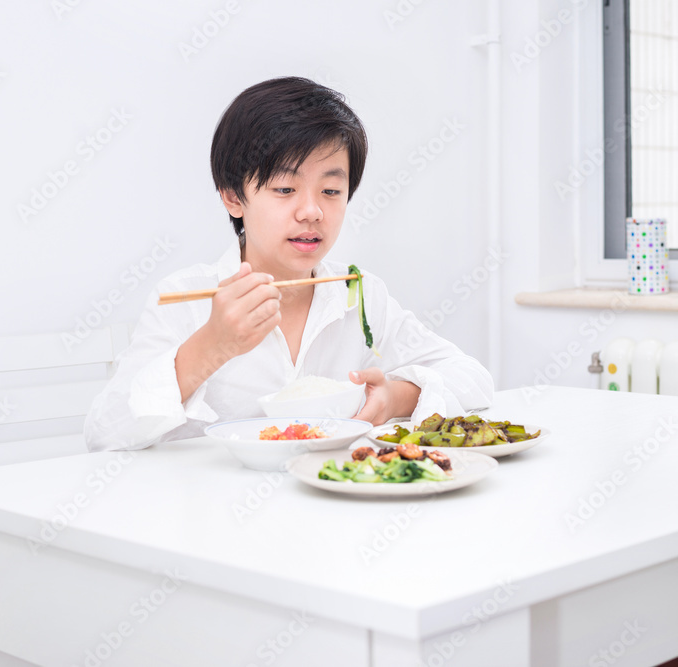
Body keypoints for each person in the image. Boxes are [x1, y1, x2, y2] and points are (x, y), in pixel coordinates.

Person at [84, 77, 493, 452]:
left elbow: (473, 378)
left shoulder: (358, 291)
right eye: (285, 188)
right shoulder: (183, 298)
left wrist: (394, 396)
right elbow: (105, 436)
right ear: (232, 196)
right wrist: (212, 345)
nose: (313, 211)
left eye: (331, 190)